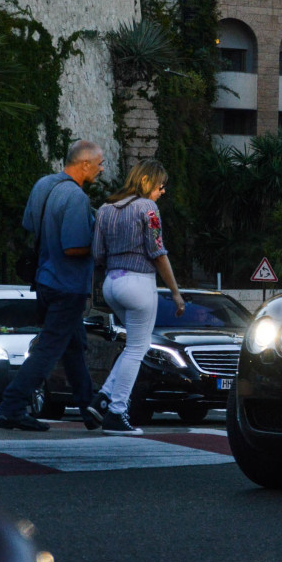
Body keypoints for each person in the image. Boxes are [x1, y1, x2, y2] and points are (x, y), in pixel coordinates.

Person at [0, 141, 104, 431]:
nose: (101, 169)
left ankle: (88, 407)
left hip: (44, 280)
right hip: (68, 286)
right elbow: (73, 248)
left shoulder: (43, 185)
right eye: (99, 164)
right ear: (84, 165)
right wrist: (102, 248)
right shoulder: (76, 198)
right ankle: (11, 407)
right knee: (49, 350)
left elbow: (32, 225)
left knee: (73, 346)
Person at [88, 159, 185, 436]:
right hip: (138, 283)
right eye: (160, 185)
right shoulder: (148, 208)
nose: (162, 191)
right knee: (137, 349)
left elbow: (97, 254)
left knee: (134, 346)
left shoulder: (105, 209)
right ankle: (117, 413)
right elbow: (158, 252)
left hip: (111, 283)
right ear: (146, 182)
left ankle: (103, 398)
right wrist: (176, 293)